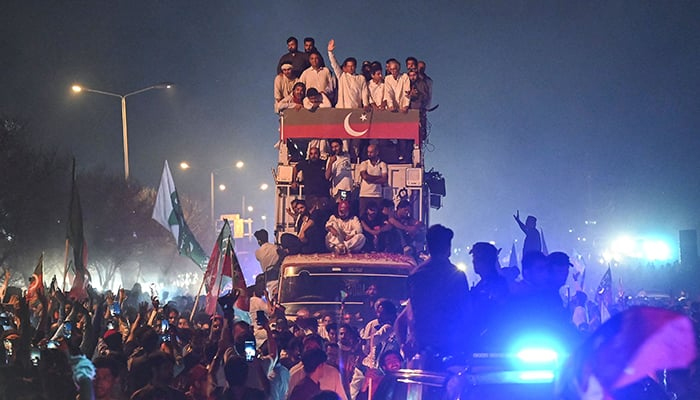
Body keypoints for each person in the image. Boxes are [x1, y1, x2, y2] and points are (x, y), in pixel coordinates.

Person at [406, 225, 471, 369]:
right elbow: (464, 310)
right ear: (448, 248)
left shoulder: (417, 274)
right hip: (452, 346)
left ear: (428, 246)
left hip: (425, 347)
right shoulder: (457, 275)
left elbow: (413, 312)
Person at [287, 335, 347, 400]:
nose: (313, 352)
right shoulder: (295, 375)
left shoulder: (333, 373)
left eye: (316, 348)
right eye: (309, 348)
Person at [469, 242, 509, 337]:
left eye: (476, 258)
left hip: (491, 340)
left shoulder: (497, 283)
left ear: (486, 261)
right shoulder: (483, 283)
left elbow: (494, 313)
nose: (473, 262)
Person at [327, 39, 369, 109]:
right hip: (342, 109)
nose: (351, 68)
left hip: (356, 109)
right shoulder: (342, 76)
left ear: (355, 66)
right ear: (345, 67)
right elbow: (335, 65)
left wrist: (366, 104)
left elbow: (364, 92)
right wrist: (330, 52)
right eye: (348, 66)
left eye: (352, 66)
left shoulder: (361, 78)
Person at [358, 144, 388, 217]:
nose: (369, 154)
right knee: (363, 216)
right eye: (368, 152)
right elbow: (364, 176)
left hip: (377, 195)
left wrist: (369, 179)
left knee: (377, 216)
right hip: (364, 194)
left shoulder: (382, 164)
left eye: (371, 152)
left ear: (377, 152)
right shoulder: (364, 163)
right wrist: (379, 177)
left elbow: (384, 179)